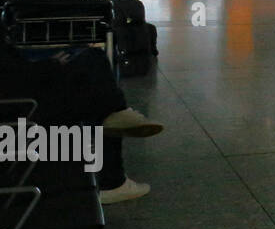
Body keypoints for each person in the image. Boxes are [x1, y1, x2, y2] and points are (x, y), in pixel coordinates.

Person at [0, 42, 163, 204]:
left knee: (93, 65)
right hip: (21, 110)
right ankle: (112, 181)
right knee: (97, 87)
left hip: (20, 101)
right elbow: (12, 81)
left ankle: (114, 178)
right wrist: (50, 64)